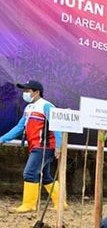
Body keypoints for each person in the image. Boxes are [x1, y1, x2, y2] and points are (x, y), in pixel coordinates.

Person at [0, 80, 64, 213]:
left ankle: (29, 205)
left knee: (29, 173)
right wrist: (2, 139)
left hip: (44, 147)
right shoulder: (28, 108)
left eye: (27, 91)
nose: (24, 94)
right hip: (36, 146)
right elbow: (19, 127)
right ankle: (61, 203)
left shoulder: (47, 106)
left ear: (36, 92)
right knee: (46, 176)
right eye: (24, 91)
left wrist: (59, 146)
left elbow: (57, 127)